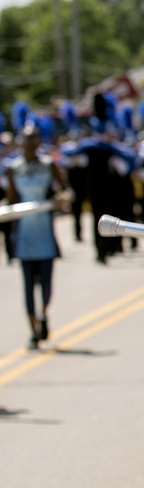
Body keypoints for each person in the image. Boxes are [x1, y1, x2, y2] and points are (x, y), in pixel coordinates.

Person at [5, 124, 68, 347]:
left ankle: (43, 315)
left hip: (44, 233)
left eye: (35, 139)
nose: (31, 144)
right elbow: (11, 201)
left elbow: (65, 191)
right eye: (27, 139)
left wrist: (61, 199)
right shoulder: (14, 169)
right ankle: (33, 330)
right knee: (28, 286)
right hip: (24, 236)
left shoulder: (49, 165)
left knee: (46, 284)